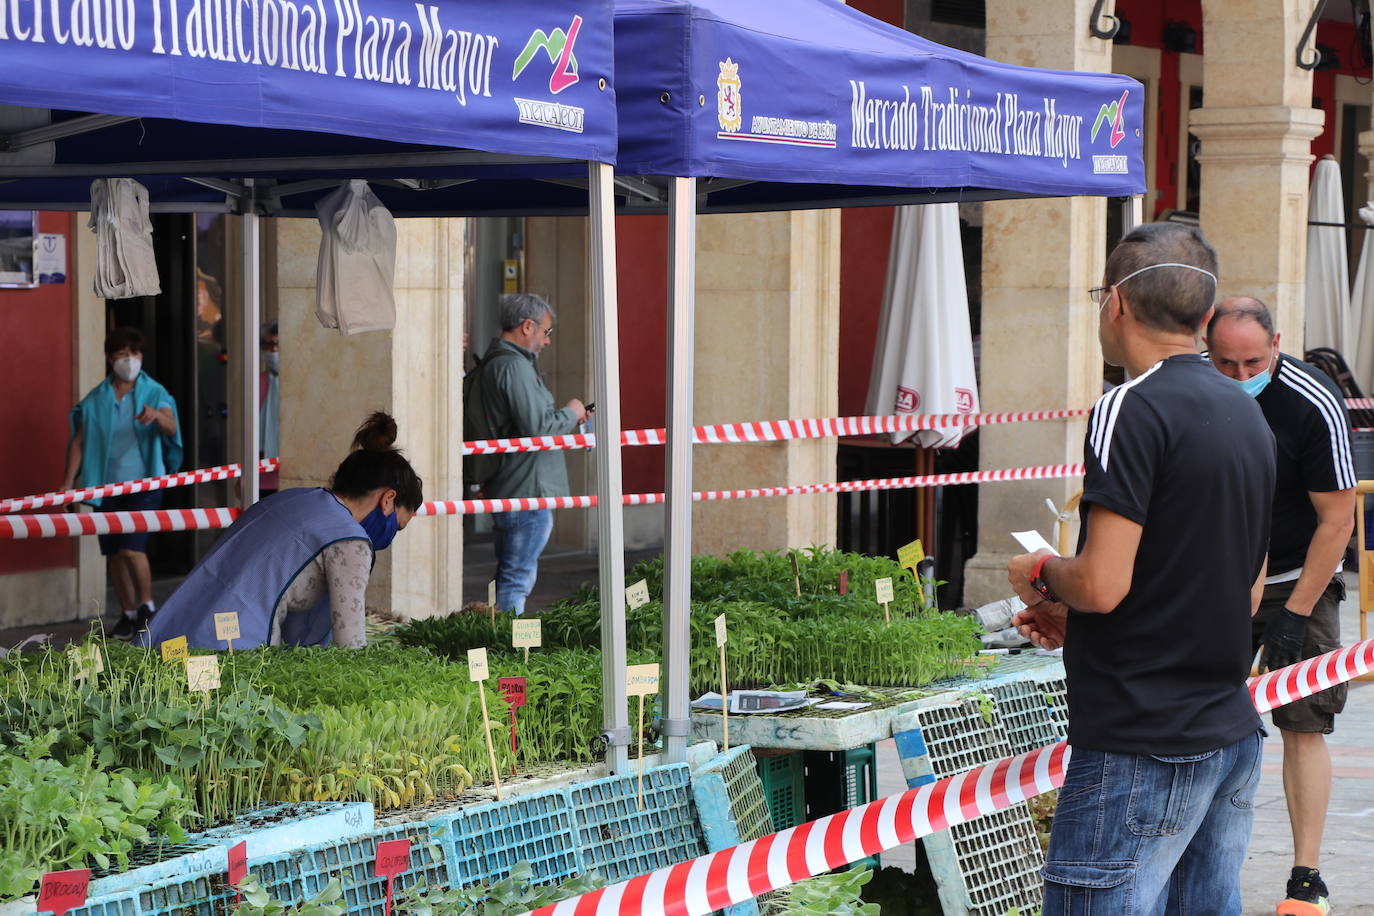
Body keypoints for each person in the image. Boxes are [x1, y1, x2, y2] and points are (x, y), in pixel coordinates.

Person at [1006, 224, 1275, 914]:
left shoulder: (1129, 405)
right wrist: (1094, 621)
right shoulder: (1245, 413)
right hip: (1227, 729)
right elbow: (1238, 586)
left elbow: (1101, 582)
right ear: (1206, 318)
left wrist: (1039, 571)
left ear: (1116, 305)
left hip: (1144, 740)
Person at [1206, 297, 1355, 916]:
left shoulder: (1311, 401)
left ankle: (1305, 875)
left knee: (1304, 721)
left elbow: (1338, 516)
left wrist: (1295, 612)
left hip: (1301, 571)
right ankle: (1196, 862)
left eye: (1252, 363)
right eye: (1226, 364)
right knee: (1201, 722)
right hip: (1217, 574)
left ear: (1275, 346)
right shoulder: (1191, 391)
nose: (1241, 378)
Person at [141, 413, 422, 649]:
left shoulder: (292, 499)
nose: (390, 535)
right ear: (388, 499)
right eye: (398, 525)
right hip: (233, 652)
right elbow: (350, 642)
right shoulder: (351, 542)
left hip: (176, 632)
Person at [62, 327, 183, 640]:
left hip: (144, 485)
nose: (129, 359)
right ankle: (127, 614)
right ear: (109, 357)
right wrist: (67, 483)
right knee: (114, 553)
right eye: (121, 353)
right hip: (105, 486)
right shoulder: (96, 399)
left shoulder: (155, 392)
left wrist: (157, 415)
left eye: (135, 353)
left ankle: (147, 607)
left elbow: (171, 428)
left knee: (131, 548)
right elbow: (79, 441)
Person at [468, 293, 586, 614]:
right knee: (517, 577)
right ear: (527, 326)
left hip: (514, 483)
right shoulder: (514, 367)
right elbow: (539, 428)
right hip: (527, 488)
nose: (547, 342)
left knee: (510, 572)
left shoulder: (501, 363)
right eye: (546, 332)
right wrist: (572, 413)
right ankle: (511, 648)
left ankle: (498, 637)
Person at [260, 320, 281, 496]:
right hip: (260, 476)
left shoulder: (299, 385)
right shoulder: (257, 382)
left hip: (289, 474)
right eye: (267, 344)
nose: (273, 350)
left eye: (277, 344)